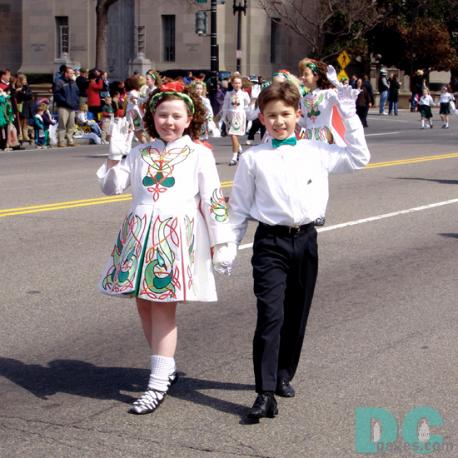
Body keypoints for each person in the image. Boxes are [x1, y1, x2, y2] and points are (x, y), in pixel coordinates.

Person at [228, 81, 370, 421]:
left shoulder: (314, 151)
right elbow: (239, 208)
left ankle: (283, 374)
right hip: (270, 243)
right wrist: (227, 249)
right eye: (272, 115)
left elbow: (358, 157)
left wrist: (349, 116)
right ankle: (264, 393)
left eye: (286, 114)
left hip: (305, 241)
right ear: (261, 118)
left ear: (298, 115)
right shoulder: (252, 159)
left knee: (296, 314)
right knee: (270, 315)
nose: (279, 121)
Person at [96, 80, 235, 415]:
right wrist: (115, 156)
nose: (169, 122)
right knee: (143, 304)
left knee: (162, 307)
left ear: (190, 119)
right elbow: (111, 188)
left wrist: (222, 243)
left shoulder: (199, 153)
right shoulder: (140, 152)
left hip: (174, 238)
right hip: (139, 234)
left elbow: (212, 200)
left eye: (176, 115)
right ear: (152, 117)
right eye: (162, 115)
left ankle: (157, 382)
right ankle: (165, 367)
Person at [222, 73, 250, 165]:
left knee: (234, 135)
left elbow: (247, 103)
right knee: (232, 135)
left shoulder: (244, 94)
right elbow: (225, 106)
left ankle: (234, 157)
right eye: (235, 83)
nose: (237, 85)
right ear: (232, 84)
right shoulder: (228, 94)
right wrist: (224, 117)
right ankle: (239, 149)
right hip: (230, 116)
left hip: (239, 116)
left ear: (241, 84)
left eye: (239, 83)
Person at [53, 66, 79, 147]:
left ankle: (70, 140)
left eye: (73, 73)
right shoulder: (59, 82)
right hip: (63, 106)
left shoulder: (73, 82)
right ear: (66, 73)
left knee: (71, 125)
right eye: (71, 73)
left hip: (72, 106)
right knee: (62, 124)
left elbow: (77, 93)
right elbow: (57, 94)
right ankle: (61, 141)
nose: (72, 74)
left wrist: (76, 102)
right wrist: (65, 101)